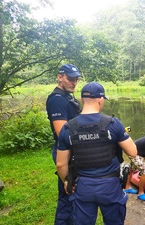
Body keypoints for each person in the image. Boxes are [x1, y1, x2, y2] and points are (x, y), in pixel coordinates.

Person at [56, 82, 137, 225]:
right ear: (101, 100)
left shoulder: (68, 128)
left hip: (83, 186)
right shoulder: (113, 123)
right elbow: (132, 152)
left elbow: (60, 164)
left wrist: (67, 182)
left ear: (82, 100)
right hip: (110, 186)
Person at [46, 64, 81, 225]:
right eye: (70, 78)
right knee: (68, 193)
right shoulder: (57, 100)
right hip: (65, 152)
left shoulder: (67, 97)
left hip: (72, 152)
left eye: (76, 79)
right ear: (60, 77)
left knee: (73, 194)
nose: (74, 82)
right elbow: (63, 134)